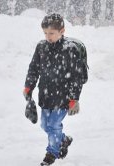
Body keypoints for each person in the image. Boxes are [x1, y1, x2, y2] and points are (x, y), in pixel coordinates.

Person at [23, 13, 88, 165]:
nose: (48, 36)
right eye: (45, 33)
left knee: (53, 125)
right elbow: (34, 69)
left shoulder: (70, 50)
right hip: (46, 96)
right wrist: (28, 86)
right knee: (45, 125)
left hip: (63, 97)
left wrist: (73, 98)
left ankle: (51, 153)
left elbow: (76, 77)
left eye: (51, 33)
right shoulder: (41, 47)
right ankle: (63, 139)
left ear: (62, 31)